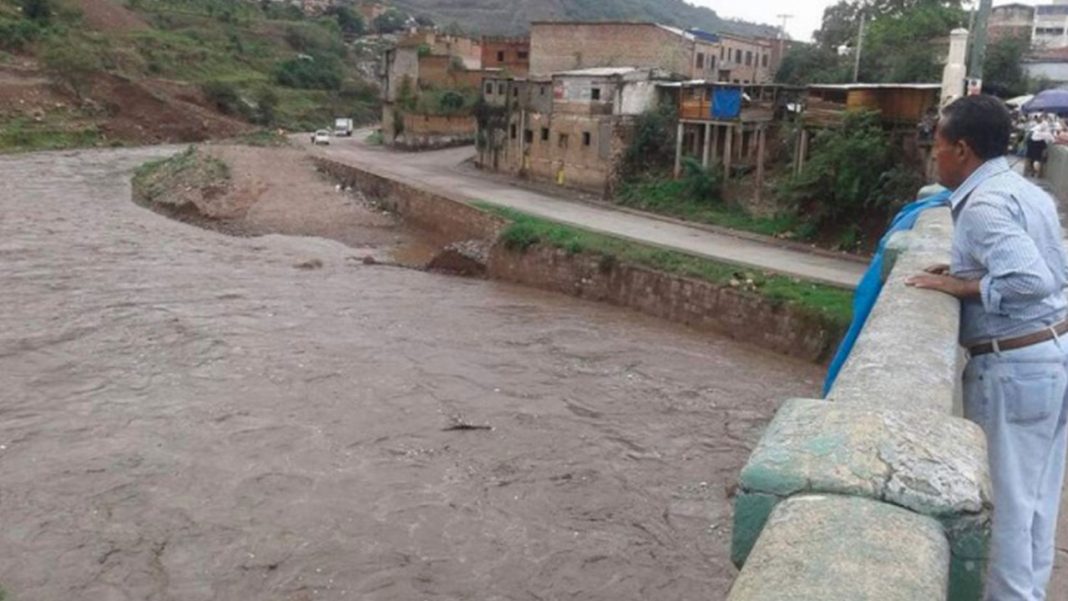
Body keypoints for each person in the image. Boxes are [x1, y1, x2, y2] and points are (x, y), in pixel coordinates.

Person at [907, 94, 1068, 601]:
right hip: (1051, 357)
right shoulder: (1027, 191)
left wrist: (966, 287)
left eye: (939, 146)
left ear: (963, 148)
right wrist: (967, 273)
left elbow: (1031, 279)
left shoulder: (983, 206)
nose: (935, 157)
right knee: (1037, 505)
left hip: (1014, 370)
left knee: (1005, 512)